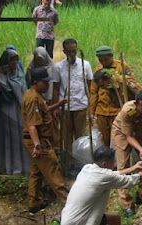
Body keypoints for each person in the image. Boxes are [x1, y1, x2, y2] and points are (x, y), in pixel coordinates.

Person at [61, 146, 142, 225]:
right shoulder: (104, 176)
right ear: (104, 164)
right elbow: (132, 180)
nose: (114, 164)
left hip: (68, 218)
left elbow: (114, 174)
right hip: (80, 222)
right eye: (112, 162)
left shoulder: (88, 168)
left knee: (114, 218)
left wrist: (133, 168)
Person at [21, 67, 69, 213]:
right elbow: (32, 125)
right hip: (38, 140)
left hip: (38, 139)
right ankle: (67, 200)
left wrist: (58, 105)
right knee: (53, 167)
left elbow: (44, 110)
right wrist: (37, 145)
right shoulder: (32, 99)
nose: (47, 85)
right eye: (44, 82)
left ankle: (34, 202)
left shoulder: (36, 95)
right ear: (36, 82)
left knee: (37, 171)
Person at [52, 38, 93, 174]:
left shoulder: (85, 65)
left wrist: (90, 107)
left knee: (80, 136)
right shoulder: (59, 67)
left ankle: (81, 163)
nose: (72, 53)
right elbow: (56, 88)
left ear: (77, 49)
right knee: (66, 136)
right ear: (64, 51)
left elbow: (89, 86)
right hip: (65, 107)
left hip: (81, 105)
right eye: (69, 51)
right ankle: (69, 164)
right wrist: (56, 106)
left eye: (74, 50)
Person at [90, 46, 142, 146]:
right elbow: (93, 92)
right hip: (102, 110)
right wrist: (92, 112)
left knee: (118, 138)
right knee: (104, 139)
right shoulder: (97, 70)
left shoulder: (122, 66)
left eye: (106, 59)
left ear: (112, 56)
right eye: (101, 60)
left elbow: (130, 87)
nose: (103, 62)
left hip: (117, 110)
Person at [0, 50, 29, 175]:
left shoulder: (19, 74)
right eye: (12, 59)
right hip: (5, 110)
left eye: (16, 59)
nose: (15, 62)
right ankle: (6, 166)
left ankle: (20, 166)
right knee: (6, 138)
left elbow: (23, 92)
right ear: (6, 61)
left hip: (18, 109)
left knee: (18, 138)